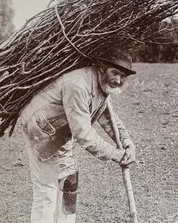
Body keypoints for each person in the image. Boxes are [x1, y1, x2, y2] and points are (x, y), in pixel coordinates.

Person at [18, 48, 137, 223]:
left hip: (63, 132)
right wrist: (115, 154)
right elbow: (83, 134)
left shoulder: (102, 83)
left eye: (123, 76)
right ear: (102, 68)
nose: (118, 80)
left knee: (69, 185)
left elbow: (107, 115)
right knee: (47, 192)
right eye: (115, 73)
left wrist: (127, 142)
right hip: (42, 131)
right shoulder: (78, 84)